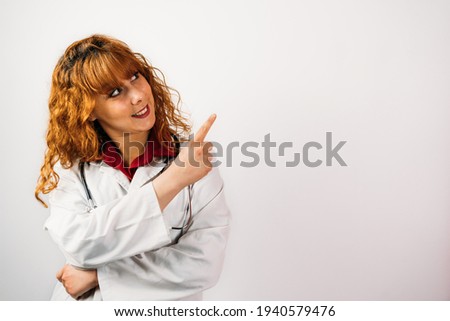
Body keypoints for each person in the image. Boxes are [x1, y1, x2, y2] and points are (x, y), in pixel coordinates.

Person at [35, 34, 230, 300]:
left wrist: (98, 275)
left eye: (135, 77)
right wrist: (172, 180)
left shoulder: (194, 160)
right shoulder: (71, 169)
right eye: (115, 92)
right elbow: (79, 245)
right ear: (89, 110)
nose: (139, 96)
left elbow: (204, 264)